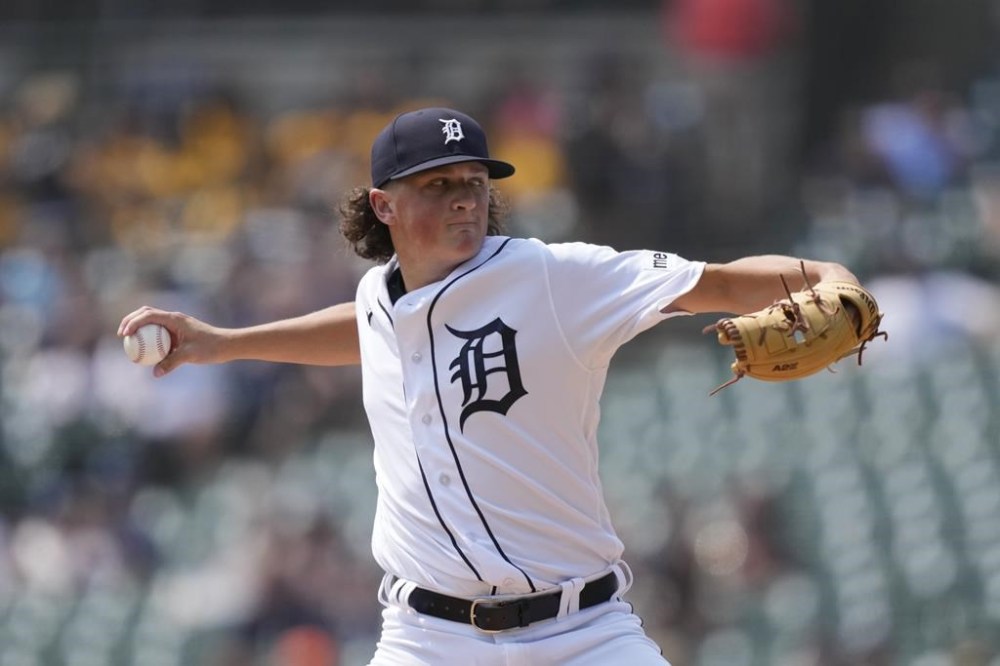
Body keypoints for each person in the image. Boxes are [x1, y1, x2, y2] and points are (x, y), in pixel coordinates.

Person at [119, 106, 861, 665]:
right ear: (384, 205)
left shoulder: (553, 277)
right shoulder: (383, 298)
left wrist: (833, 279)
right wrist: (225, 345)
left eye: (474, 183)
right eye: (439, 186)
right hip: (428, 638)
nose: (464, 201)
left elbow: (718, 282)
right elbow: (368, 327)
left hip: (583, 633)